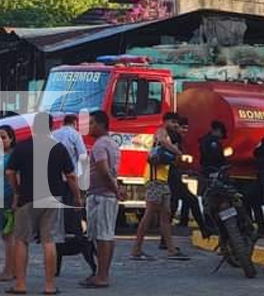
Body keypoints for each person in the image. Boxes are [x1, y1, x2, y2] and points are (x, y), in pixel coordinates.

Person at [6, 112, 82, 295]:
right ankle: (49, 286)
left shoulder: (23, 147)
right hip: (53, 197)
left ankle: (20, 285)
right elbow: (71, 175)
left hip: (27, 198)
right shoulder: (58, 148)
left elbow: (9, 172)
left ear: (33, 126)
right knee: (50, 241)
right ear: (51, 127)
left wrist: (16, 190)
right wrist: (78, 197)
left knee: (22, 240)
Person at [131, 113, 189, 261]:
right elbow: (162, 141)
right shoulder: (161, 132)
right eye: (173, 121)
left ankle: (171, 250)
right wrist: (177, 152)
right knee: (149, 215)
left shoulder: (173, 137)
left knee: (165, 217)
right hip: (155, 179)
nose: (175, 125)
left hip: (162, 180)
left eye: (177, 122)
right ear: (165, 122)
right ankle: (136, 249)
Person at [81, 110, 121, 289]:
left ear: (101, 124)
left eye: (91, 123)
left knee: (102, 237)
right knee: (106, 236)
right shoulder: (112, 143)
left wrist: (115, 190)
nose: (89, 127)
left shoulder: (99, 146)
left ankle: (102, 276)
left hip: (101, 195)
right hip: (106, 195)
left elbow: (104, 171)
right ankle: (102, 273)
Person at [166, 116, 208, 235]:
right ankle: (204, 230)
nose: (184, 131)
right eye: (182, 127)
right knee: (188, 201)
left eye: (186, 128)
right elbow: (173, 157)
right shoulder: (173, 137)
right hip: (171, 175)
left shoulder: (177, 138)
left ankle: (165, 239)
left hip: (175, 174)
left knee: (176, 204)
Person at [0, 125, 16, 283]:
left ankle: (9, 271)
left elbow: (15, 180)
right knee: (5, 236)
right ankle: (10, 269)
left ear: (11, 139)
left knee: (9, 236)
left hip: (7, 198)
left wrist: (14, 199)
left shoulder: (12, 156)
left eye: (3, 137)